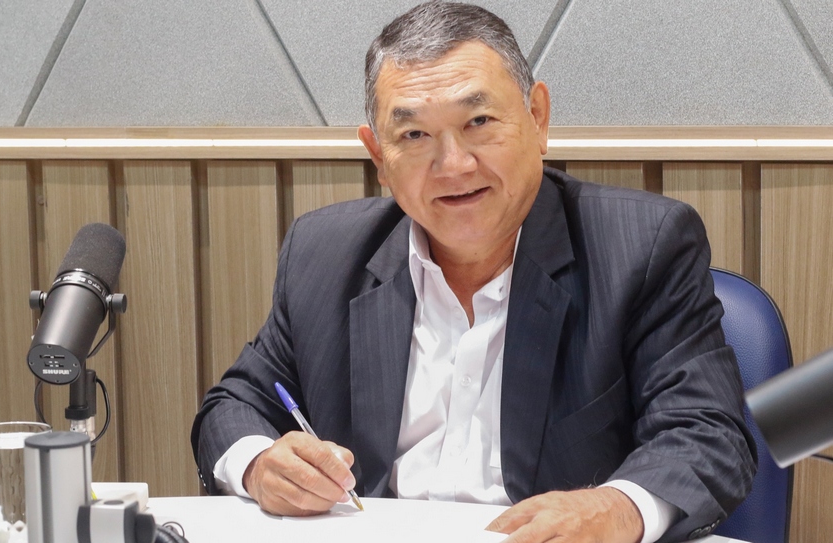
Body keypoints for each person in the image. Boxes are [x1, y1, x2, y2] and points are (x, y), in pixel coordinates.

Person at [192, 2, 756, 542]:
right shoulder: (325, 252)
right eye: (414, 135)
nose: (454, 165)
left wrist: (615, 509)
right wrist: (259, 463)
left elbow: (706, 434)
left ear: (537, 118)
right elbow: (235, 404)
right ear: (378, 156)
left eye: (479, 121)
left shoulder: (640, 247)